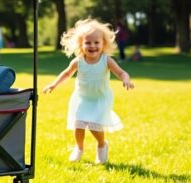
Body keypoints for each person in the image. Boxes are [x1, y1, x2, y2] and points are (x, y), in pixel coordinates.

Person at [42, 18, 134, 164]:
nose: (92, 46)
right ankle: (79, 148)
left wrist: (126, 80)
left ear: (103, 43)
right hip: (82, 97)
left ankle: (102, 145)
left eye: (96, 42)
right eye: (88, 42)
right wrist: (54, 84)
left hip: (100, 98)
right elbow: (66, 73)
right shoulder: (78, 61)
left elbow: (122, 73)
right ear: (81, 44)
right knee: (78, 124)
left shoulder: (106, 60)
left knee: (94, 125)